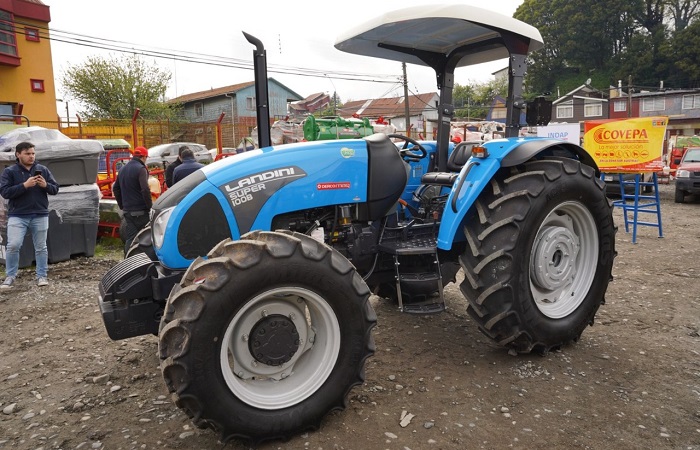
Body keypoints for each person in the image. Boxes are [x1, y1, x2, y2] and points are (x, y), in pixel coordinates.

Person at [0, 141, 60, 288]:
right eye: (27, 154)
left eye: (33, 153)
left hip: (40, 214)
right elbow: (5, 192)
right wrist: (24, 186)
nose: (31, 156)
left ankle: (42, 276)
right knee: (13, 245)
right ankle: (10, 276)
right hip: (18, 215)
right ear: (18, 154)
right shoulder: (10, 172)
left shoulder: (42, 170)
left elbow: (55, 189)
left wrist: (45, 185)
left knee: (41, 247)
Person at [113, 146, 152, 256]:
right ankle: (147, 261)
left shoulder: (122, 169)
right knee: (148, 236)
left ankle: (128, 261)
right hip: (141, 210)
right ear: (143, 157)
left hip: (128, 211)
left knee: (130, 238)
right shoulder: (141, 169)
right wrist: (150, 207)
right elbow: (145, 188)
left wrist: (122, 205)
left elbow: (116, 188)